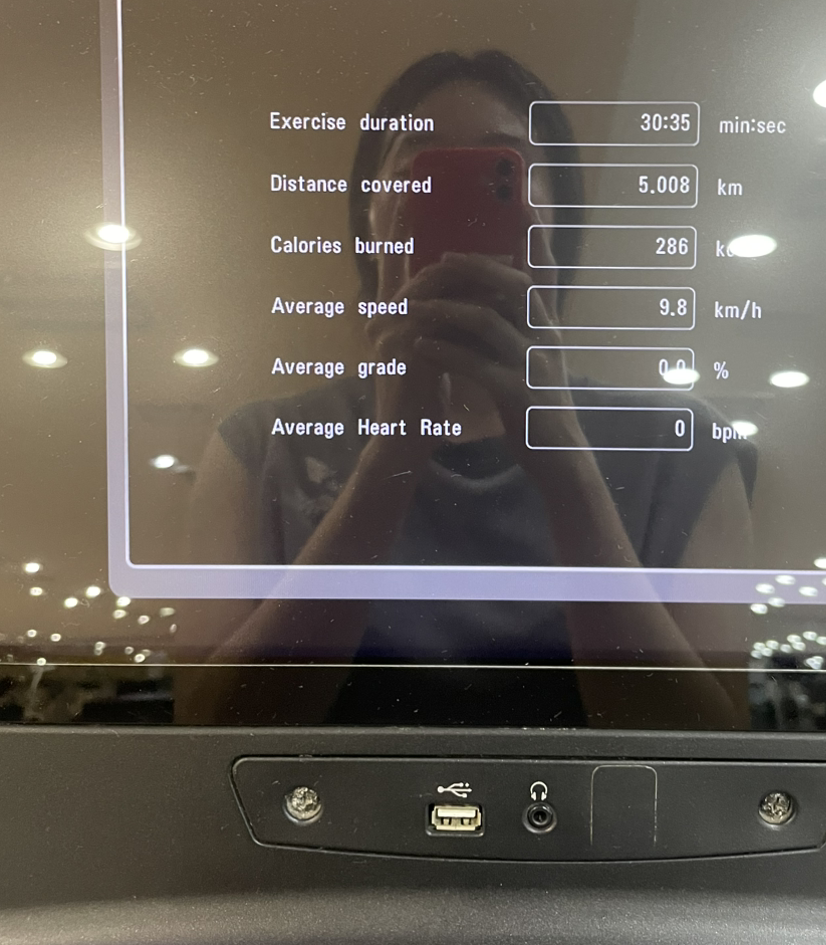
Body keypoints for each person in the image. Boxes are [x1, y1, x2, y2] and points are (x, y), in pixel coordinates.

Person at [180, 50, 755, 726]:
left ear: (559, 217)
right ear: (369, 218)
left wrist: (565, 463)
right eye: (419, 169)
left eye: (502, 169)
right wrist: (391, 457)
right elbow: (203, 732)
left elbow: (711, 753)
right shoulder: (259, 444)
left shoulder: (683, 445)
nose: (453, 197)